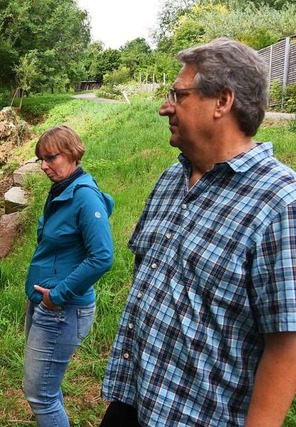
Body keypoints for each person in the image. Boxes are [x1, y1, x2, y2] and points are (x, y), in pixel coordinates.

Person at [101, 38, 296, 426]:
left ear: (222, 101)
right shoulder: (172, 177)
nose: (164, 107)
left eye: (179, 94)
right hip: (134, 400)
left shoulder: (280, 203)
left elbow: (287, 346)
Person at [23, 125, 114, 426]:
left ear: (73, 153)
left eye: (51, 158)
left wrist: (56, 297)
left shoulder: (84, 196)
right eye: (41, 160)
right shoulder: (62, 189)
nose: (44, 166)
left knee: (40, 395)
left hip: (62, 310)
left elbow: (102, 257)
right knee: (46, 390)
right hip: (44, 304)